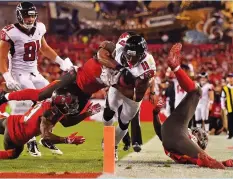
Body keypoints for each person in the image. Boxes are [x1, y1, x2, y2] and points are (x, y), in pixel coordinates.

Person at [0, 2, 73, 156]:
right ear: (20, 16)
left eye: (33, 15)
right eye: (27, 15)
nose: (30, 18)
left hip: (34, 72)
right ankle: (31, 141)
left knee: (53, 100)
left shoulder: (39, 28)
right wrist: (6, 75)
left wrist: (61, 62)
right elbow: (1, 57)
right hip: (18, 73)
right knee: (32, 104)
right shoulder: (10, 32)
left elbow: (44, 48)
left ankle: (46, 137)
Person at [152, 43, 233, 169]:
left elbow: (160, 131)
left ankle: (175, 67)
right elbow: (161, 133)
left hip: (173, 129)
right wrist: (224, 163)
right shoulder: (189, 154)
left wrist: (155, 114)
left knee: (196, 91)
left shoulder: (189, 144)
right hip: (172, 139)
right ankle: (175, 67)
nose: (197, 133)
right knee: (210, 161)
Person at [0, 87, 101, 160]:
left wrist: (87, 113)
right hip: (15, 136)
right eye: (69, 103)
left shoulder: (51, 105)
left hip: (11, 120)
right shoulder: (50, 113)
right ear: (61, 104)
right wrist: (66, 140)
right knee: (13, 154)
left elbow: (67, 123)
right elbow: (46, 136)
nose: (72, 105)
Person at [102, 32, 156, 160]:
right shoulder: (120, 47)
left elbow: (137, 96)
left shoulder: (147, 66)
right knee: (108, 114)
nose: (130, 60)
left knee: (124, 122)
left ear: (142, 55)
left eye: (134, 57)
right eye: (128, 56)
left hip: (133, 94)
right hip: (117, 84)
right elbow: (102, 55)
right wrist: (106, 69)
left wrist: (114, 84)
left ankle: (113, 147)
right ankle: (108, 137)